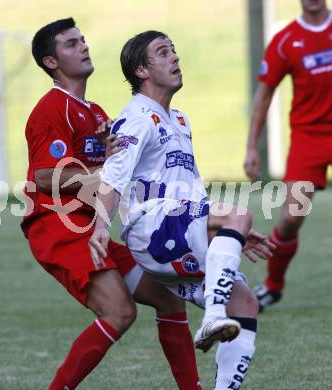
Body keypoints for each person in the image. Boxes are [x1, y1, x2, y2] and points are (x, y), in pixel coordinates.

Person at [21, 18, 204, 390]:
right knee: (119, 312)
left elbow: (115, 169)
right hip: (60, 227)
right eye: (71, 44)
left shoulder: (97, 113)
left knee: (170, 301)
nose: (84, 47)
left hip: (90, 227)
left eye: (83, 40)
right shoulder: (52, 108)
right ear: (50, 62)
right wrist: (103, 176)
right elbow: (44, 177)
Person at [89, 30, 274, 389]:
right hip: (152, 227)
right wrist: (100, 225)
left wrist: (231, 234)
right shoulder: (137, 117)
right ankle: (213, 317)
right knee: (238, 212)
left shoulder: (180, 120)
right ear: (142, 70)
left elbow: (191, 190)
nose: (175, 57)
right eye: (162, 52)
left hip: (177, 225)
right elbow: (113, 176)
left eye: (174, 50)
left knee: (246, 304)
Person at [244, 0, 332, 311]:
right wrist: (252, 146)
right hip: (309, 138)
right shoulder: (285, 41)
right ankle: (272, 286)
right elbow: (264, 93)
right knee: (292, 216)